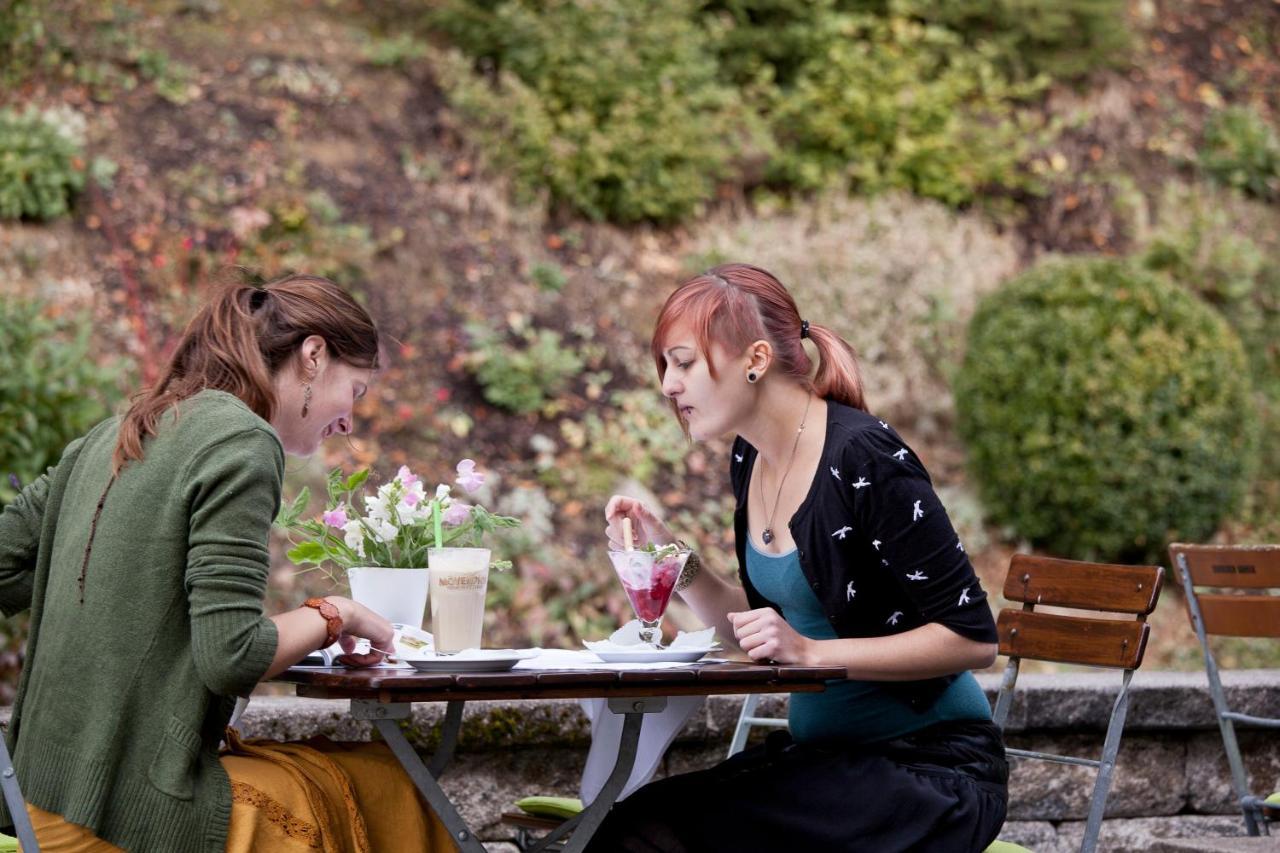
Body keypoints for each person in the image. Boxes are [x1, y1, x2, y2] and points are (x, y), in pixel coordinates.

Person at [0, 274, 450, 851]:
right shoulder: (241, 442)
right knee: (390, 787)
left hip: (30, 799)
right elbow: (232, 655)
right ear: (313, 355)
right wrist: (338, 613)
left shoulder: (112, 435)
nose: (349, 423)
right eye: (355, 392)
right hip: (119, 817)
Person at [594, 263, 1008, 852]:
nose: (667, 385)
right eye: (665, 366)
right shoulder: (751, 458)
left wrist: (811, 653)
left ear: (755, 359)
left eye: (683, 362)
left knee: (649, 834)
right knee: (634, 822)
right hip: (829, 764)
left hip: (928, 773)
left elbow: (973, 640)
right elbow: (763, 633)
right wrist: (675, 564)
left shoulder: (864, 457)